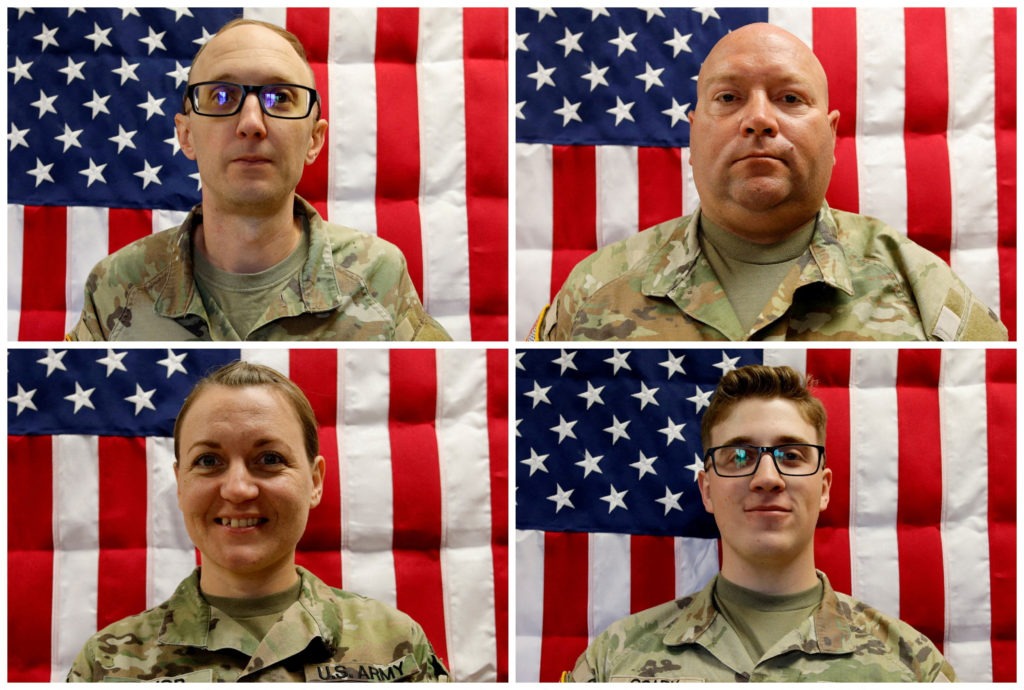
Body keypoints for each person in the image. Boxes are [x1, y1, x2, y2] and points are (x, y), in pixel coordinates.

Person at [533, 23, 1006, 342]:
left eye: (790, 98)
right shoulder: (596, 289)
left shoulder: (921, 289)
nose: (759, 118)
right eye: (728, 97)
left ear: (831, 136)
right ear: (693, 136)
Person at [66, 18, 450, 342]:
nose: (251, 123)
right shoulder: (118, 285)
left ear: (314, 140)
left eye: (280, 97)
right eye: (221, 96)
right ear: (186, 135)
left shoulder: (378, 275)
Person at [566, 364, 956, 682]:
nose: (767, 477)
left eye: (791, 455)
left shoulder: (913, 666)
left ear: (823, 489)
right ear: (706, 491)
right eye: (739, 456)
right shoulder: (615, 660)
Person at [67, 361, 449, 681]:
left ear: (315, 482)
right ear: (180, 483)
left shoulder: (396, 646)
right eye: (208, 461)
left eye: (269, 459)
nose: (238, 489)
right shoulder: (107, 665)